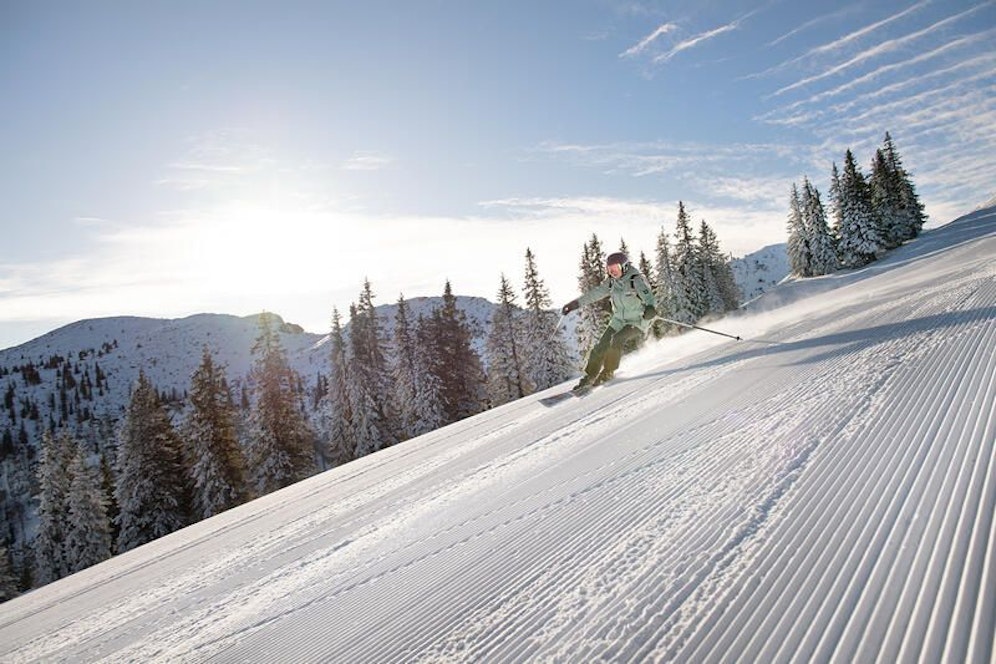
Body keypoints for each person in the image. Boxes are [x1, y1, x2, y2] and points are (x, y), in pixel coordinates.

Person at [561, 252, 657, 390]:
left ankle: (608, 372)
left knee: (616, 339)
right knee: (601, 345)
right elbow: (594, 294)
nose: (613, 272)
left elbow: (650, 298)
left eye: (616, 268)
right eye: (610, 269)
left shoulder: (636, 280)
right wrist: (574, 304)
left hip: (637, 321)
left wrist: (650, 309)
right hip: (619, 320)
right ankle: (590, 376)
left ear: (624, 267)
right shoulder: (612, 282)